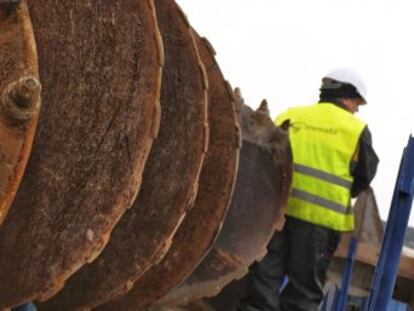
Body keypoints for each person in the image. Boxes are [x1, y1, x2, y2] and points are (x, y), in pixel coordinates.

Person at [238, 68, 379, 311]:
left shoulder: (290, 115)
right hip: (319, 223)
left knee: (263, 283)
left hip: (276, 214)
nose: (357, 109)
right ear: (347, 97)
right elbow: (364, 176)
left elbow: (266, 157)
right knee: (303, 294)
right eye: (357, 103)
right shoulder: (355, 130)